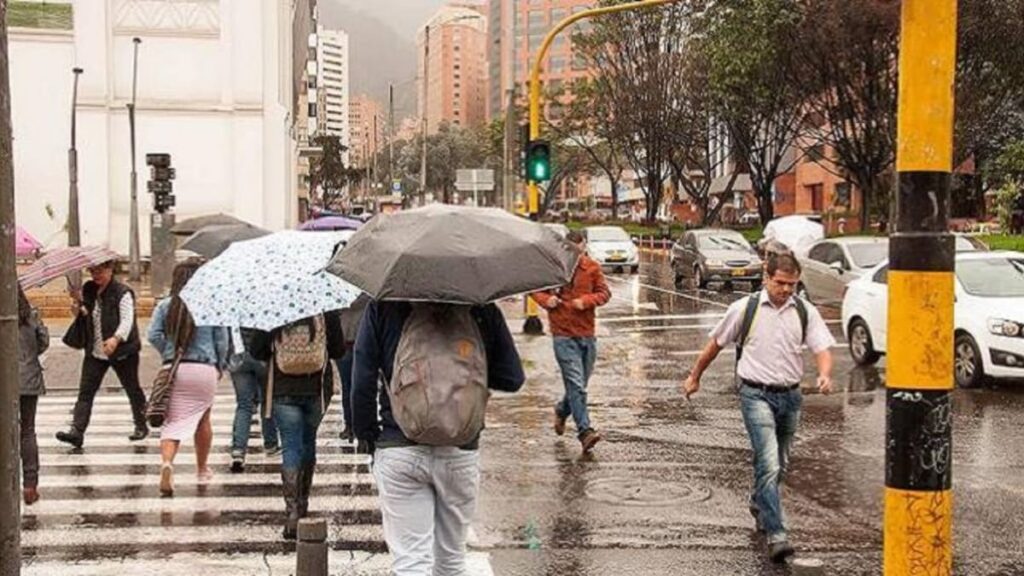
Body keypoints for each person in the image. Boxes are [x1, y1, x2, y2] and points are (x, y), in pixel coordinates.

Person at [352, 300, 525, 575]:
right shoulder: (481, 307)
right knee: (452, 561)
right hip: (461, 447)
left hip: (400, 446)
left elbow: (361, 381)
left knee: (411, 562)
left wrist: (369, 436)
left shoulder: (383, 306)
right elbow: (512, 377)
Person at [683, 253, 834, 563]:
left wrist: (824, 373)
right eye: (780, 283)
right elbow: (714, 345)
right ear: (766, 277)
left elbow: (822, 347)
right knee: (768, 462)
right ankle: (777, 534)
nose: (786, 290)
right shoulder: (745, 309)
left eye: (792, 284)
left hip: (791, 397)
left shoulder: (804, 311)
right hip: (755, 395)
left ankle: (758, 501)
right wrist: (694, 376)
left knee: (780, 461)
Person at [250, 311, 344, 539]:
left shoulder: (274, 307)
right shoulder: (324, 307)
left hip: (283, 389)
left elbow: (257, 351)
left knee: (291, 447)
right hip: (315, 388)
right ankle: (303, 502)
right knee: (308, 442)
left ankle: (292, 513)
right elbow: (338, 349)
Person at [147, 259, 230, 496]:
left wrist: (169, 352)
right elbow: (222, 341)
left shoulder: (166, 305)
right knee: (203, 420)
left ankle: (167, 463)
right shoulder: (212, 305)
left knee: (172, 421)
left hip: (176, 369)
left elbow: (152, 334)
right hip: (204, 370)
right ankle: (202, 468)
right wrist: (219, 366)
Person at [531, 230, 611, 453]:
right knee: (576, 384)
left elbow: (604, 294)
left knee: (580, 386)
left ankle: (561, 410)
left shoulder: (592, 268)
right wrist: (548, 300)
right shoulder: (554, 268)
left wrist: (586, 301)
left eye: (580, 250)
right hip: (563, 335)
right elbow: (535, 291)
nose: (575, 255)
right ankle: (585, 431)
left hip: (587, 335)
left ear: (584, 247)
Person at [56, 259, 148, 448]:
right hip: (96, 351)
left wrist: (116, 339)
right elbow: (86, 313)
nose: (96, 275)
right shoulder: (89, 290)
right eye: (92, 271)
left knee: (132, 388)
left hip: (122, 351)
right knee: (85, 392)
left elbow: (127, 320)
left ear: (110, 269)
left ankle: (141, 424)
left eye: (99, 271)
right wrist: (77, 305)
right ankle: (77, 431)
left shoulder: (122, 292)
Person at [228, 327, 280, 473]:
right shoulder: (265, 304)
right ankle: (271, 444)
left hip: (238, 356)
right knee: (267, 401)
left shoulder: (230, 306)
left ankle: (238, 450)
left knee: (244, 405)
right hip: (262, 356)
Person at [18, 285, 48, 505]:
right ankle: (30, 485)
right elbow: (42, 343)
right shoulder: (31, 314)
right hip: (28, 379)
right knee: (27, 430)